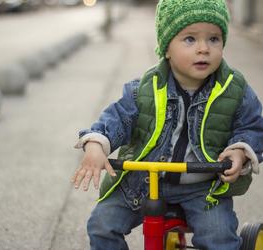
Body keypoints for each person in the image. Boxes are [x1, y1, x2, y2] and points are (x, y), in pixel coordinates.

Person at [72, 0, 263, 249]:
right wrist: (97, 143)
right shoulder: (145, 89)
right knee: (101, 225)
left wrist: (240, 150)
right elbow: (117, 118)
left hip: (203, 188)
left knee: (219, 238)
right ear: (166, 48)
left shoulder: (233, 88)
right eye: (190, 39)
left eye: (214, 39)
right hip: (142, 183)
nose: (203, 49)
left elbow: (252, 125)